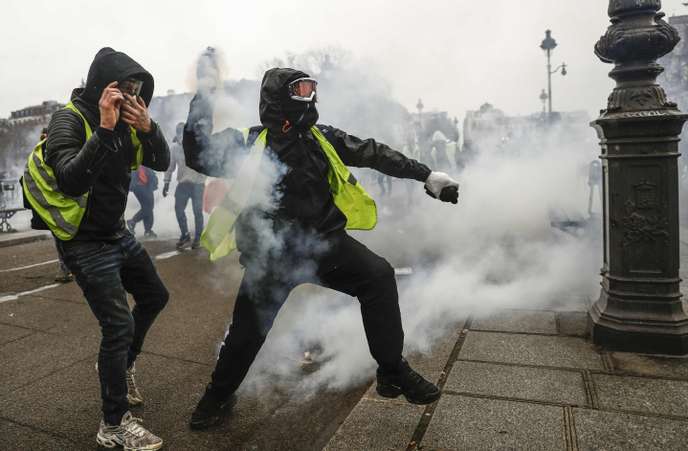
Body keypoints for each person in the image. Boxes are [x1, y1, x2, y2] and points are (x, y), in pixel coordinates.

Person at [183, 61, 460, 430]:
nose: (309, 96)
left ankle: (392, 371)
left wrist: (426, 174)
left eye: (311, 88)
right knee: (246, 335)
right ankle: (216, 398)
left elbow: (373, 152)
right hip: (273, 258)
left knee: (378, 275)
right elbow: (198, 152)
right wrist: (203, 95)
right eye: (300, 90)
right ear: (279, 98)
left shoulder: (322, 137)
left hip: (325, 246)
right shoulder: (248, 142)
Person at [22, 47, 170, 450]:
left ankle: (122, 368)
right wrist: (104, 128)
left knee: (156, 296)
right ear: (103, 86)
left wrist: (148, 126)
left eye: (138, 91)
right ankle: (113, 423)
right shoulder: (67, 120)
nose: (131, 98)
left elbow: (161, 161)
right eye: (125, 89)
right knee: (117, 326)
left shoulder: (128, 120)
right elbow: (70, 180)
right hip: (85, 242)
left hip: (117, 232)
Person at [163, 122, 207, 249]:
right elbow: (170, 166)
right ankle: (185, 234)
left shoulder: (198, 144)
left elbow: (207, 161)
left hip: (198, 184)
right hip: (183, 183)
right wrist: (166, 183)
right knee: (178, 209)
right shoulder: (175, 148)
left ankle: (198, 238)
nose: (181, 135)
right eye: (179, 132)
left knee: (197, 211)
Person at [127, 164, 159, 239]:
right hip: (139, 186)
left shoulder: (146, 158)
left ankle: (147, 231)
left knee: (148, 208)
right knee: (148, 208)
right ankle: (133, 222)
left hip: (147, 185)